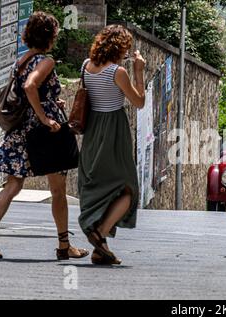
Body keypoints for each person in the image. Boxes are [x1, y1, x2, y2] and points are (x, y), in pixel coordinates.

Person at [0, 11, 89, 260]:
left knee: (13, 185)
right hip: (45, 132)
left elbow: (28, 88)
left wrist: (48, 102)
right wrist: (45, 116)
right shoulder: (45, 61)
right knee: (57, 189)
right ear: (50, 36)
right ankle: (64, 245)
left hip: (19, 132)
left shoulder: (22, 60)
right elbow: (30, 87)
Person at [78, 25, 146, 265]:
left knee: (99, 185)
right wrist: (139, 71)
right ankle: (100, 232)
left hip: (92, 131)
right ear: (119, 47)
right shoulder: (118, 72)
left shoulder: (85, 66)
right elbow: (139, 102)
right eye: (126, 48)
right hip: (113, 131)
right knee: (127, 189)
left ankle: (100, 250)